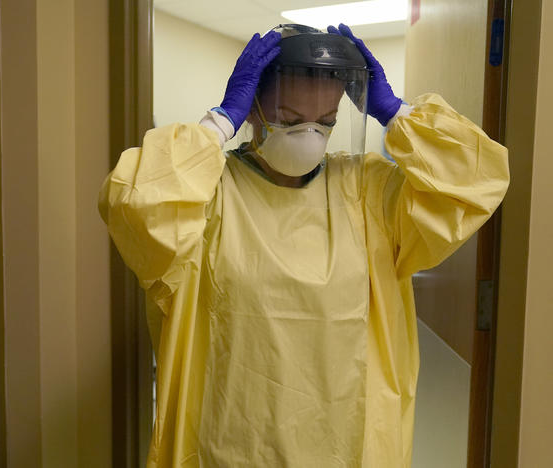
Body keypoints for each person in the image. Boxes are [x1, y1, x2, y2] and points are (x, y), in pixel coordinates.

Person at [99, 23, 509, 467]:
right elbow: (134, 203)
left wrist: (396, 114)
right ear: (253, 109)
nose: (310, 137)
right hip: (231, 444)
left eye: (326, 122)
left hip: (346, 444)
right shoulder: (208, 194)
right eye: (292, 120)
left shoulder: (366, 191)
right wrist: (217, 123)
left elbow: (474, 179)